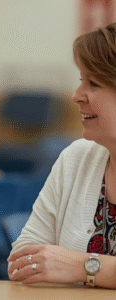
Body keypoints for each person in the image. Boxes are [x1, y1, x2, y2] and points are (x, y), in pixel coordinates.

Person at [8, 22, 116, 289]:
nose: (76, 96)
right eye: (81, 80)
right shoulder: (76, 158)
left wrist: (83, 266)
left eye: (93, 83)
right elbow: (20, 263)